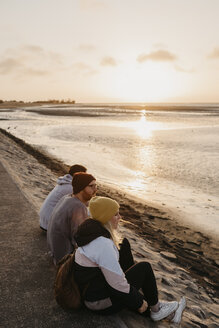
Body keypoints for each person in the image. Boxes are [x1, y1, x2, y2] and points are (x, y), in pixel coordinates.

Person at [71, 196, 186, 323]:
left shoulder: (90, 232)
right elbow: (117, 284)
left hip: (94, 290)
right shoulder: (103, 244)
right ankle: (157, 311)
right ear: (105, 218)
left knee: (123, 244)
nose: (120, 217)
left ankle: (158, 306)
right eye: (116, 215)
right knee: (144, 267)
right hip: (99, 302)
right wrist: (138, 302)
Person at [47, 172, 97, 265]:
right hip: (64, 257)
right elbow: (78, 239)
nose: (95, 189)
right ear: (81, 188)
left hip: (54, 250)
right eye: (91, 186)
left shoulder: (68, 197)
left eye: (96, 185)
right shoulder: (78, 207)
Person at [39, 164, 87, 231]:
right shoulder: (70, 188)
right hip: (49, 224)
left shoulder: (65, 182)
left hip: (44, 220)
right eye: (84, 175)